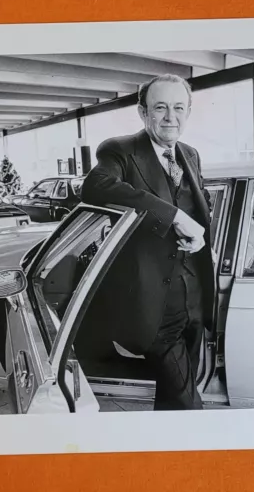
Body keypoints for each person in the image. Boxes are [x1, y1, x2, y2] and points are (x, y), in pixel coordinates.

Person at [81, 74, 214, 411]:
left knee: (173, 396)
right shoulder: (120, 151)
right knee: (187, 403)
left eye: (179, 107)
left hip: (195, 299)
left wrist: (199, 239)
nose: (171, 117)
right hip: (154, 306)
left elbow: (201, 204)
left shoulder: (191, 154)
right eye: (160, 108)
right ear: (143, 113)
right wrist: (174, 217)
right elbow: (97, 187)